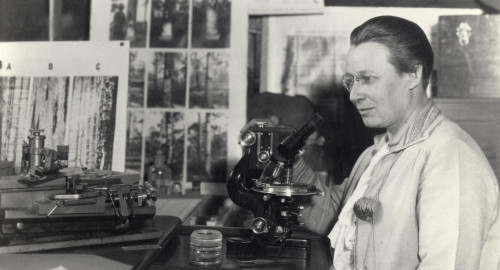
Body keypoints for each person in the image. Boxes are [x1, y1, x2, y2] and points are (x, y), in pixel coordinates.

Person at [243, 16, 500, 269]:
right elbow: (331, 213)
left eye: (367, 79)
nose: (354, 95)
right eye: (350, 81)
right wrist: (283, 155)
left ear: (413, 74)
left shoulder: (448, 157)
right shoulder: (379, 151)